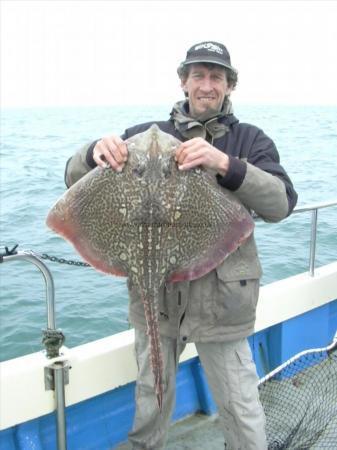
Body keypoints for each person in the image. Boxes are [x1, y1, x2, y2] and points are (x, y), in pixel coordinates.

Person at [65, 41, 298, 450]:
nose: (207, 85)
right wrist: (91, 152)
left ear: (229, 86)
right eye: (198, 75)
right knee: (149, 403)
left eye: (216, 77)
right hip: (155, 295)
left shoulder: (249, 140)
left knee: (241, 408)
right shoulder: (143, 137)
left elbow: (281, 203)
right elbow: (73, 178)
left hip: (223, 302)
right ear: (184, 82)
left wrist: (226, 164)